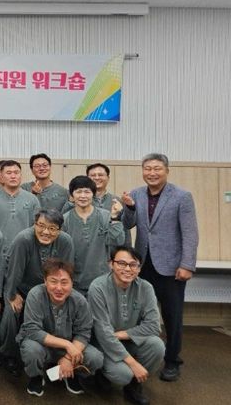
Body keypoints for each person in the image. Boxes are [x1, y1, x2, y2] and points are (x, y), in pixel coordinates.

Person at [121, 153, 198, 382]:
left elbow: (190, 233)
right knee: (140, 313)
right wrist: (129, 208)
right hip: (142, 265)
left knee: (172, 316)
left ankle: (172, 360)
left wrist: (187, 264)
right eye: (147, 168)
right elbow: (127, 224)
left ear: (167, 171)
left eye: (157, 168)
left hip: (171, 267)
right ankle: (142, 355)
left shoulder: (182, 196)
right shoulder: (136, 194)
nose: (152, 173)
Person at [0, 209, 74, 375]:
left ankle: (54, 355)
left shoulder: (66, 242)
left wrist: (57, 294)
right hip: (21, 289)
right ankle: (9, 354)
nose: (45, 232)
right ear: (34, 224)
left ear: (59, 230)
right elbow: (14, 272)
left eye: (52, 228)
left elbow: (66, 271)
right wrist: (12, 295)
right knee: (11, 312)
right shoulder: (23, 239)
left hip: (51, 290)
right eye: (41, 226)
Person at [88, 246, 165, 405]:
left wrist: (122, 334)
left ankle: (133, 386)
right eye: (121, 263)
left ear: (139, 268)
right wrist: (133, 364)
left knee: (157, 345)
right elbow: (103, 334)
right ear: (111, 264)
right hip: (103, 344)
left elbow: (154, 326)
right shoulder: (98, 287)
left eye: (133, 264)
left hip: (128, 341)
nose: (128, 269)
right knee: (123, 375)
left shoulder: (146, 288)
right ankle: (100, 374)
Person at [17, 259, 104, 397]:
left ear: (72, 283)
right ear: (45, 281)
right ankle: (37, 376)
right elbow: (33, 330)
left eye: (64, 282)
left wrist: (68, 358)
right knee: (31, 350)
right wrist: (67, 345)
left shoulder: (80, 301)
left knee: (95, 358)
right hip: (42, 345)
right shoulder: (35, 295)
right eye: (53, 281)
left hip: (68, 348)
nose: (58, 288)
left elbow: (83, 332)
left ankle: (70, 373)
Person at [62, 176, 125, 295]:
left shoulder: (105, 216)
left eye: (87, 192)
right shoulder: (65, 220)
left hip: (103, 281)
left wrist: (115, 218)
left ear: (93, 194)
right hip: (74, 282)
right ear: (72, 195)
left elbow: (118, 242)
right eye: (78, 192)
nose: (83, 196)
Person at [0, 159, 40, 255]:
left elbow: (37, 227)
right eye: (8, 173)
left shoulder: (32, 199)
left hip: (25, 251)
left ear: (21, 175)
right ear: (1, 176)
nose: (13, 176)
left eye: (16, 172)